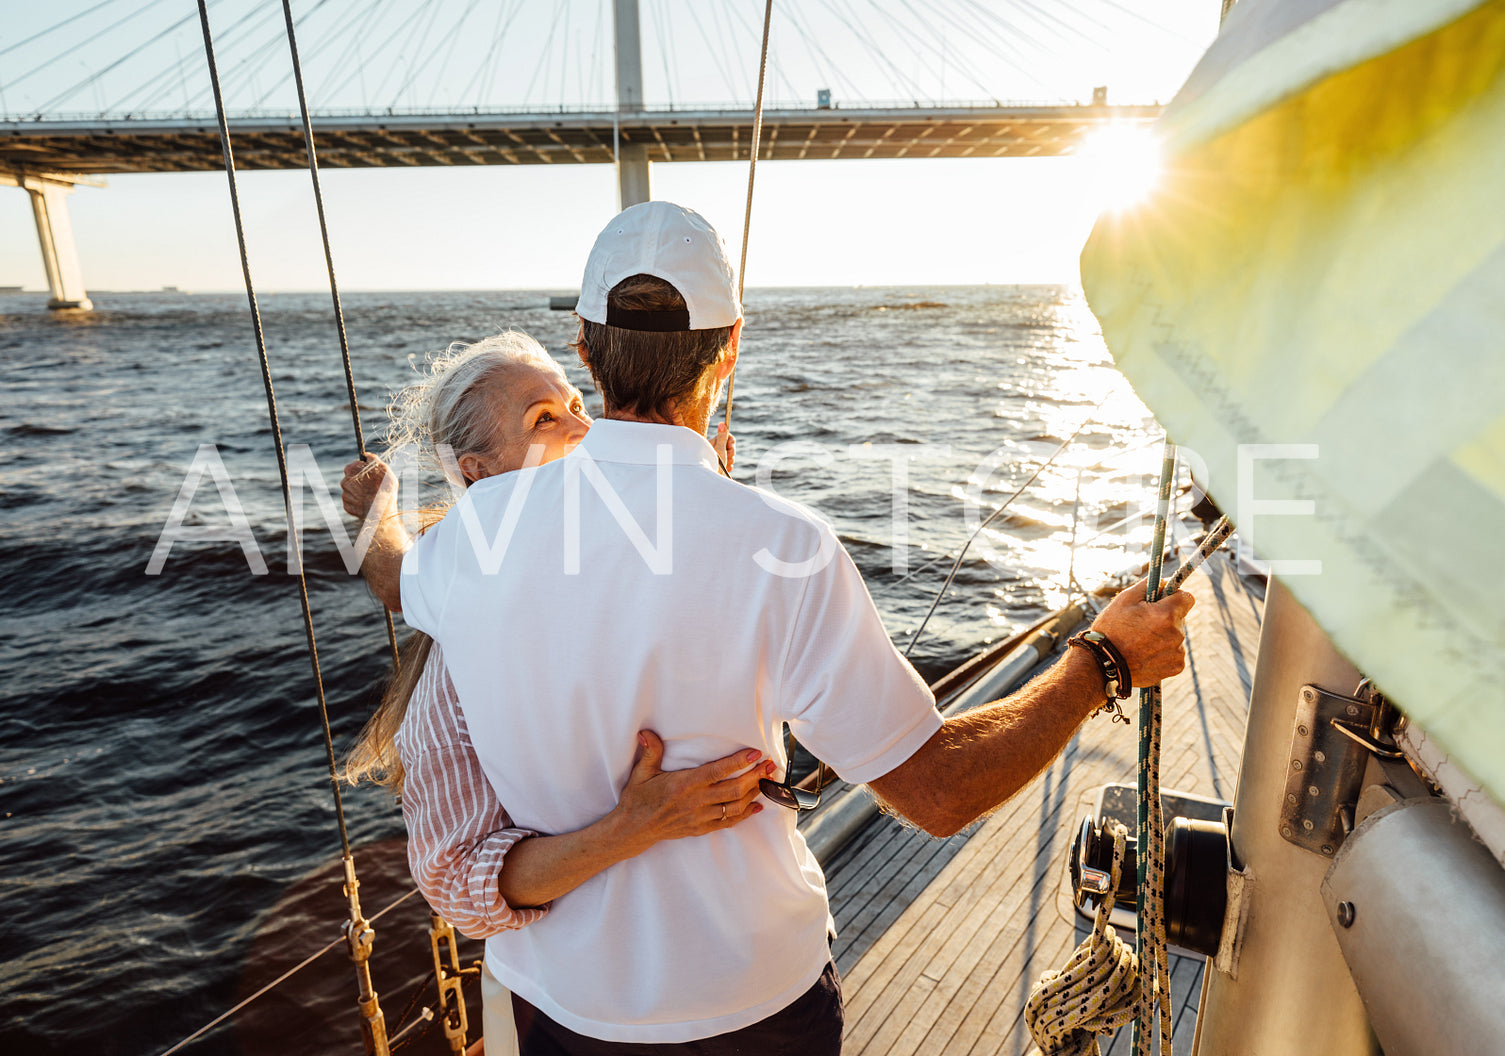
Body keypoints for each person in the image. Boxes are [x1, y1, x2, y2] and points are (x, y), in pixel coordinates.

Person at [396, 202, 1193, 1055]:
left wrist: (374, 503)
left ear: (585, 349)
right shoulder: (784, 546)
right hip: (754, 1007)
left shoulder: (459, 544)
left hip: (565, 1013)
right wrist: (1101, 661)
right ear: (729, 346)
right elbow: (937, 793)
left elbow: (399, 574)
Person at [340, 331, 755, 1054]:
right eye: (544, 420)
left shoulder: (657, 541)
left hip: (745, 981)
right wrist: (633, 827)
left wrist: (699, 480)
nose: (585, 429)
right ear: (479, 473)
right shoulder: (461, 656)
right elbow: (457, 885)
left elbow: (393, 577)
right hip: (574, 1012)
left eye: (574, 404)